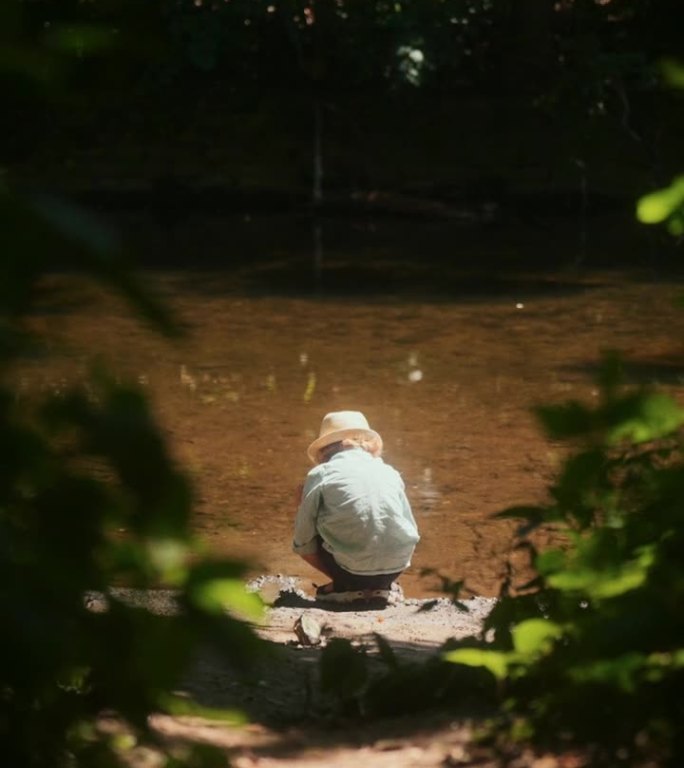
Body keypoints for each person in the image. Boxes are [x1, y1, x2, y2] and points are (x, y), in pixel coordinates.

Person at [293, 411, 420, 605]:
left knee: (307, 504)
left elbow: (303, 541)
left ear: (325, 448)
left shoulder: (321, 473)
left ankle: (345, 586)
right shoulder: (389, 471)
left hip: (349, 572)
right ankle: (380, 587)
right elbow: (409, 526)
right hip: (396, 567)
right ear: (367, 444)